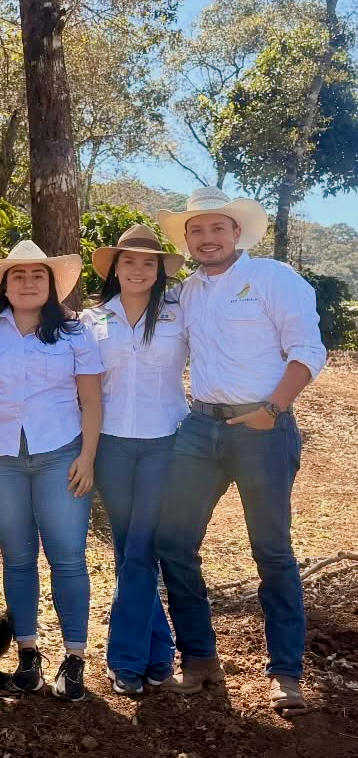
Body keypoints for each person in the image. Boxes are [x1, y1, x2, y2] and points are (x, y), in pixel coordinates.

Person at [154, 186, 327, 712]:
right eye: (196, 230)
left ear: (236, 233)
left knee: (271, 552)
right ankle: (200, 659)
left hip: (263, 428)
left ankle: (286, 673)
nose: (207, 238)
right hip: (200, 429)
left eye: (216, 228)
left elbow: (308, 349)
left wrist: (272, 410)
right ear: (187, 240)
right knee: (174, 542)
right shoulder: (186, 293)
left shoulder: (273, 279)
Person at [0, 240, 103, 702]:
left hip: (60, 453)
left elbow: (91, 399)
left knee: (67, 556)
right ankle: (28, 654)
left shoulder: (74, 333)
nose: (28, 283)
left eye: (37, 276)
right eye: (18, 276)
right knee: (17, 557)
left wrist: (87, 456)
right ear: (5, 285)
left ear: (51, 285)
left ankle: (75, 658)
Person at [81, 224, 187, 696]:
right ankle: (159, 651)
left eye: (149, 262)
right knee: (129, 550)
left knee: (141, 548)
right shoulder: (92, 321)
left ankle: (124, 658)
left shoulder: (179, 314)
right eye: (129, 261)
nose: (138, 269)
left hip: (166, 442)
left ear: (160, 271)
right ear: (115, 269)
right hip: (112, 447)